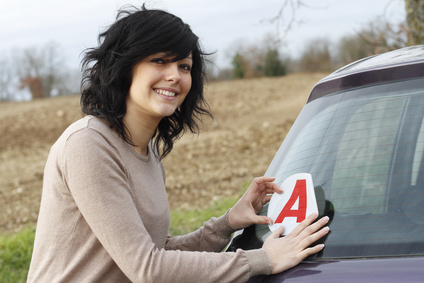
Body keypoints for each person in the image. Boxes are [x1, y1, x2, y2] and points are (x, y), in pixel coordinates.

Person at [27, 5, 329, 283]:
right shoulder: (89, 145)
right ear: (125, 67)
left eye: (184, 66)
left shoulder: (147, 153)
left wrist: (226, 223)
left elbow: (161, 250)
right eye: (159, 61)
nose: (174, 76)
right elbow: (147, 267)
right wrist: (262, 260)